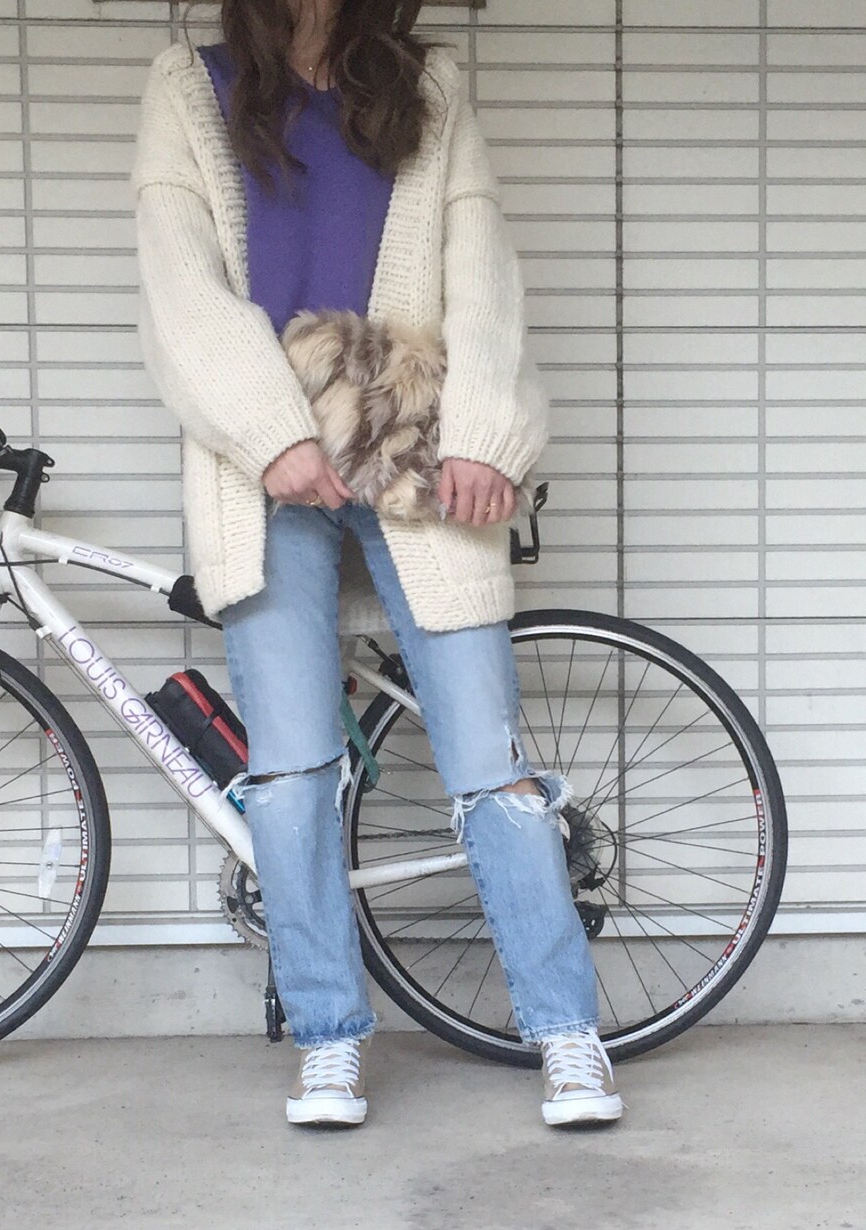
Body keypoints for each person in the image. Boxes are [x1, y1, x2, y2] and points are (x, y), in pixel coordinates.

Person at [131, 0, 623, 1130]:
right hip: (262, 470)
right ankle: (328, 1039)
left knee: (489, 762)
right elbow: (180, 287)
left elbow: (481, 272)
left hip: (415, 452)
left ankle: (564, 1030)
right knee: (292, 772)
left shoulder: (427, 86)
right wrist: (271, 433)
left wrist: (487, 438)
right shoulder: (188, 87)